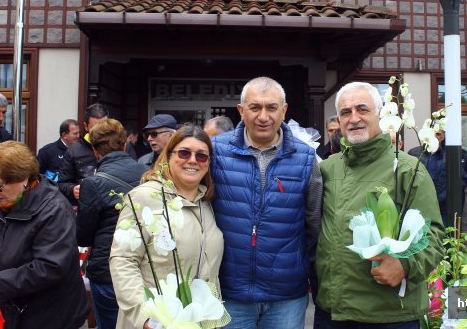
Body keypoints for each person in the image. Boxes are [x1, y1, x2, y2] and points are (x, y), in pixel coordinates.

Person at [315, 82, 444, 327]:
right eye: (345, 112)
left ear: (380, 114)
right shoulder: (328, 169)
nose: (354, 118)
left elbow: (434, 235)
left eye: (362, 109)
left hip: (389, 315)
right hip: (331, 311)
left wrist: (405, 265)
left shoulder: (407, 169)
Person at [211, 76, 323, 328]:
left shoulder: (305, 158)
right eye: (255, 107)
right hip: (230, 292)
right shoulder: (216, 151)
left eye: (272, 108)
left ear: (283, 111)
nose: (263, 116)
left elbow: (313, 223)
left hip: (286, 296)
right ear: (241, 111)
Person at [0, 141, 89, 329]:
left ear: (23, 178)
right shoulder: (1, 202)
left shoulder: (54, 209)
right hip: (10, 313)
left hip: (48, 317)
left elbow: (51, 266)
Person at [110, 125, 224, 329]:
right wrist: (145, 316)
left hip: (199, 321)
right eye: (184, 153)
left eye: (201, 156)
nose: (192, 160)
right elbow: (123, 260)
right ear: (168, 156)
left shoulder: (206, 203)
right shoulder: (145, 197)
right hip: (156, 322)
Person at [76, 119, 148, 329]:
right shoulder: (146, 172)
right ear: (124, 144)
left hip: (108, 270)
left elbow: (83, 236)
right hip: (144, 265)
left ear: (95, 151)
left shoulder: (92, 183)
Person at [408, 130, 467, 226]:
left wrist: (446, 196)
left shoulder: (453, 153)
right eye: (432, 134)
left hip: (445, 208)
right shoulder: (415, 153)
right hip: (420, 204)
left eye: (438, 134)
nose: (435, 137)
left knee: (445, 236)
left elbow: (463, 178)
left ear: (443, 137)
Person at [58, 103, 109, 205]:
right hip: (85, 207)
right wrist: (72, 189)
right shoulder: (73, 151)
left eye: (104, 127)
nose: (100, 132)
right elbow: (63, 183)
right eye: (95, 128)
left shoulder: (117, 146)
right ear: (86, 126)